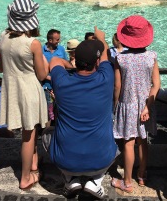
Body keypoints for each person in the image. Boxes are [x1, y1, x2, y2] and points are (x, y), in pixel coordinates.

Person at [47, 27, 118, 199]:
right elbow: (105, 56)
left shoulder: (62, 81)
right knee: (114, 139)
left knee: (47, 133)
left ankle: (71, 179)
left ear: (75, 60)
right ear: (96, 63)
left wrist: (68, 65)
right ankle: (96, 181)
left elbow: (55, 61)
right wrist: (101, 39)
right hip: (101, 161)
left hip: (66, 162)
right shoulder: (106, 79)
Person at [0, 0, 49, 190]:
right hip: (29, 90)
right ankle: (26, 177)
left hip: (11, 89)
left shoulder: (3, 36)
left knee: (30, 130)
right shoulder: (32, 43)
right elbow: (42, 74)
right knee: (28, 136)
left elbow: (0, 68)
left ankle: (34, 165)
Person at [111, 15, 160, 194]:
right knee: (143, 141)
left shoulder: (120, 58)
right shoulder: (152, 56)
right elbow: (156, 85)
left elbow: (117, 86)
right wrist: (147, 106)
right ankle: (142, 175)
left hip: (127, 105)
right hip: (146, 105)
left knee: (129, 143)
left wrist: (116, 106)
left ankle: (127, 182)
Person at [42, 29, 70, 124]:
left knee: (60, 111)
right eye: (57, 39)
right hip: (46, 86)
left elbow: (66, 64)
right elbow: (37, 68)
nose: (59, 41)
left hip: (59, 85)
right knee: (47, 112)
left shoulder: (61, 49)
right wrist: (47, 77)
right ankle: (46, 133)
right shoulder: (41, 51)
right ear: (50, 40)